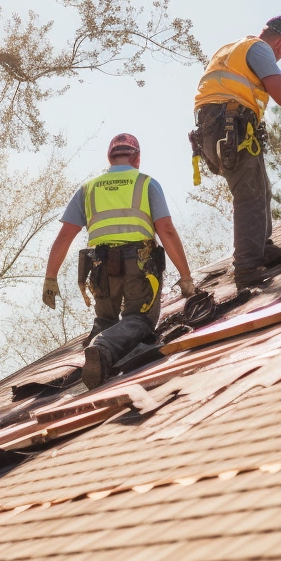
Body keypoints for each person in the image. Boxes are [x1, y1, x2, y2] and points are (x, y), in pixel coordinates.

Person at [42, 134, 195, 388]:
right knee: (140, 320)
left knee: (106, 321)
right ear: (137, 158)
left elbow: (65, 236)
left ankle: (98, 352)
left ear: (109, 158)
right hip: (140, 265)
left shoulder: (88, 188)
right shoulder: (146, 183)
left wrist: (50, 278)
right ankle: (102, 347)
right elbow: (165, 229)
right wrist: (186, 277)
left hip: (102, 268)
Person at [192, 15, 281, 287]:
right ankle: (246, 268)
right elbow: (276, 85)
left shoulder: (230, 49)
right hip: (230, 125)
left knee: (260, 187)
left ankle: (263, 246)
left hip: (216, 130)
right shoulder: (260, 49)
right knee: (249, 194)